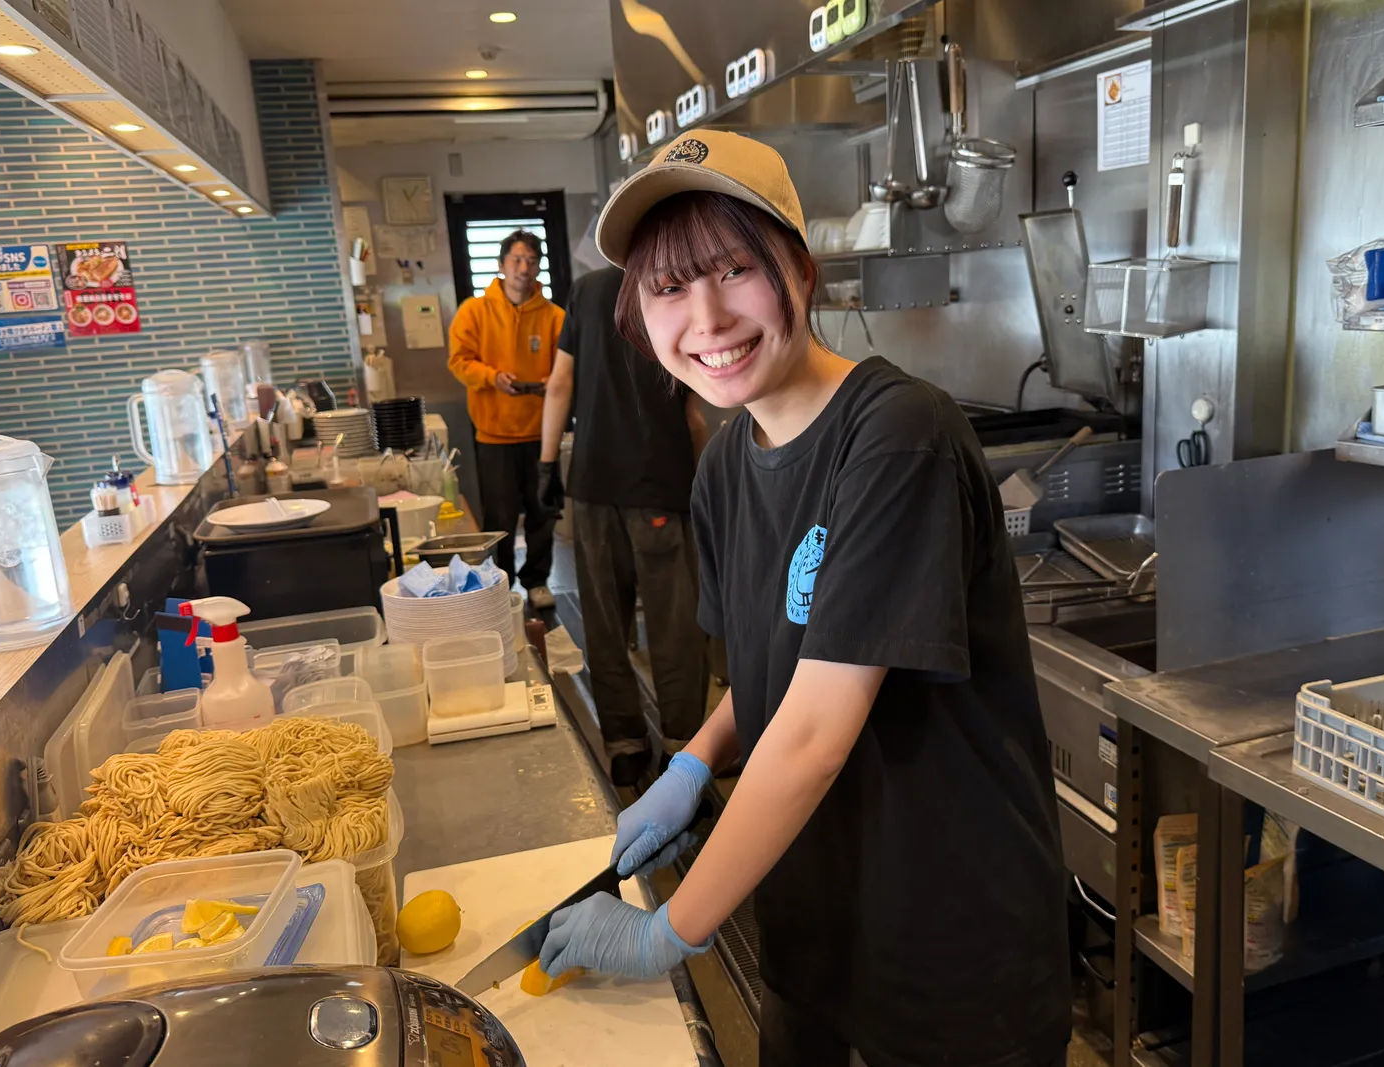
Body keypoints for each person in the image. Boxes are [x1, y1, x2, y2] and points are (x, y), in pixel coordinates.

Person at [537, 130, 1071, 1067]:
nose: (705, 317)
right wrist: (694, 765)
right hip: (815, 931)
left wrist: (673, 930)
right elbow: (776, 670)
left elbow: (818, 725)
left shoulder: (897, 436)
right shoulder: (725, 470)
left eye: (734, 268)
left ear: (799, 266)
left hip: (950, 952)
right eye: (668, 287)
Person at [538, 267, 712, 787]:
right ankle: (683, 750)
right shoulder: (676, 286)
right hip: (660, 481)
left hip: (593, 485)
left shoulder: (587, 290)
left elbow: (559, 384)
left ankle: (624, 746)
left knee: (604, 622)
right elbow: (693, 411)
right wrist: (702, 484)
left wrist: (548, 465)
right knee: (675, 623)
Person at [447, 229, 564, 609]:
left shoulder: (555, 317)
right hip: (494, 434)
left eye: (531, 260)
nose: (523, 268)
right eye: (516, 259)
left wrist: (554, 382)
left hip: (542, 435)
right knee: (499, 517)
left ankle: (537, 581)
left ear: (539, 266)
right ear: (501, 265)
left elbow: (568, 368)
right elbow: (459, 361)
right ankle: (501, 584)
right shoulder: (474, 312)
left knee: (542, 512)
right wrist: (491, 378)